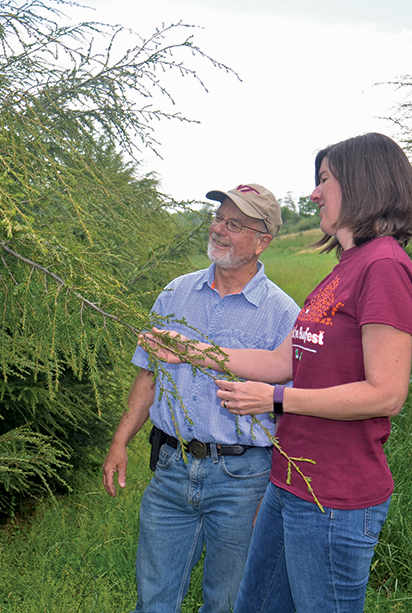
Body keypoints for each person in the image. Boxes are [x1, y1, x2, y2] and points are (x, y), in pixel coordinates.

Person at [141, 133, 412, 613]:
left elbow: (386, 394)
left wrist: (274, 400)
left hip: (335, 495)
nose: (314, 193)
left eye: (325, 180)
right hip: (291, 480)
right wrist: (192, 349)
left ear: (363, 184)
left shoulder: (383, 267)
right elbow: (280, 362)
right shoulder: (345, 267)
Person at [102, 183, 300, 613]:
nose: (219, 229)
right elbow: (148, 377)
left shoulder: (284, 314)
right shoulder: (175, 294)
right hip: (171, 469)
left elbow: (290, 411)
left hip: (243, 479)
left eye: (235, 224)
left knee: (227, 603)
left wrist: (274, 491)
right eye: (218, 218)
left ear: (263, 240)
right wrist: (120, 442)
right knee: (153, 602)